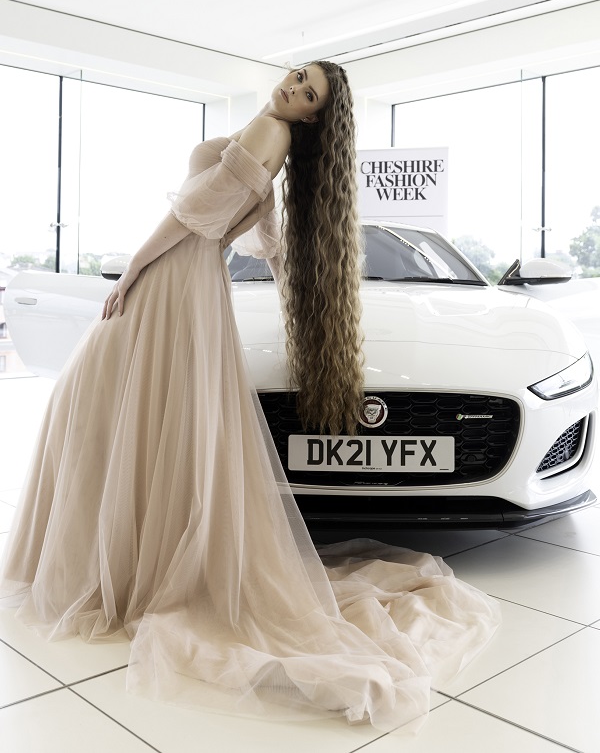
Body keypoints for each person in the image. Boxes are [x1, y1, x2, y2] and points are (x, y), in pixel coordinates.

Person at [0, 62, 499, 731]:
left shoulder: (269, 132)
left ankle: (113, 565)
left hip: (173, 276)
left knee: (96, 406)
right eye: (298, 76)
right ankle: (126, 560)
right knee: (134, 414)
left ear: (314, 115)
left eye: (308, 93)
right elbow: (266, 238)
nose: (292, 88)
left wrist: (132, 270)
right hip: (194, 284)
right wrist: (296, 294)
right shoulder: (273, 139)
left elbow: (188, 216)